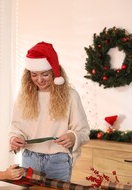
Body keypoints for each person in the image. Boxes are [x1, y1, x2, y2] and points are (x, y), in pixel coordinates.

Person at [9, 41, 90, 182]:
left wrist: (73, 137)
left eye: (45, 74)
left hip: (58, 160)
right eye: (34, 75)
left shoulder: (71, 96)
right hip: (30, 158)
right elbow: (15, 129)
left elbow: (83, 132)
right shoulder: (23, 97)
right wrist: (14, 139)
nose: (39, 80)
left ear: (54, 72)